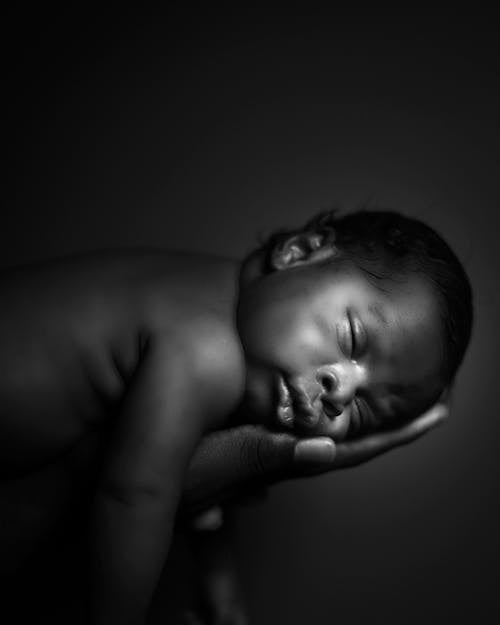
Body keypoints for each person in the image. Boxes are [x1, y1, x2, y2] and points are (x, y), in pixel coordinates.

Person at [0, 208, 472, 624]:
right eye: (351, 337)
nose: (340, 391)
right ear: (299, 251)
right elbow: (135, 495)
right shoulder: (210, 350)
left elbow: (202, 502)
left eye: (364, 409)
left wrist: (219, 588)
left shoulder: (225, 311)